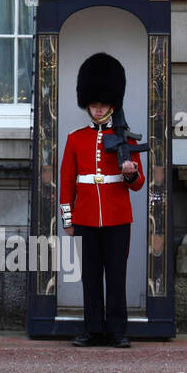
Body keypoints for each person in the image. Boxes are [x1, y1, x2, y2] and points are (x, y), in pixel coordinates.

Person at [60, 52, 145, 349]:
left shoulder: (128, 140)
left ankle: (117, 331)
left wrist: (130, 173)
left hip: (117, 216)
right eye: (94, 105)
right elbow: (67, 183)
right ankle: (93, 329)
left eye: (103, 104)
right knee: (91, 277)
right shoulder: (75, 138)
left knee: (116, 276)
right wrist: (68, 221)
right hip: (84, 217)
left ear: (112, 104)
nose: (98, 110)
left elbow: (139, 185)